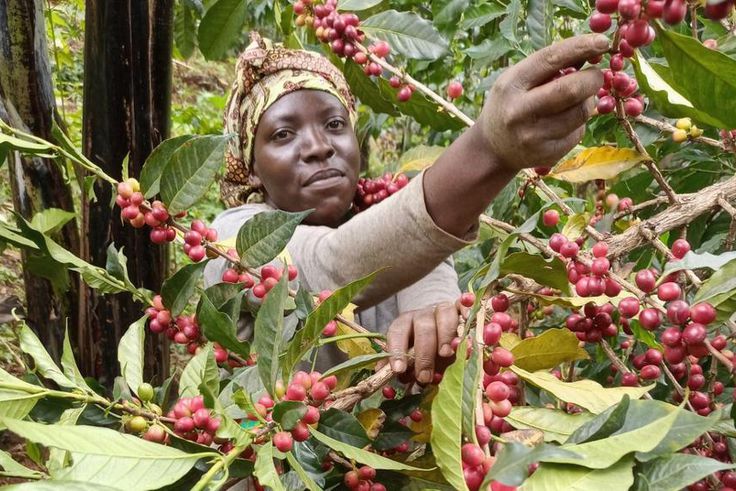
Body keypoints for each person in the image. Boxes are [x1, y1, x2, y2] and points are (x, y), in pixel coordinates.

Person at [203, 32, 609, 382]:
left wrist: (430, 298)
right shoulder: (228, 245)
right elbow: (333, 267)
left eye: (334, 124)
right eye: (283, 134)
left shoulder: (375, 212)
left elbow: (412, 246)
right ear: (251, 168)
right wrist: (487, 149)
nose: (319, 147)